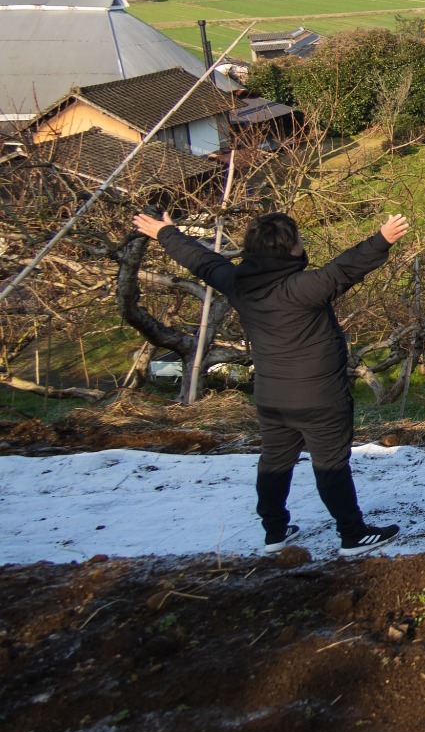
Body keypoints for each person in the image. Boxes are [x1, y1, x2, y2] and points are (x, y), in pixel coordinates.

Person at [134, 208, 407, 557]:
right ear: (290, 249)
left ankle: (275, 531)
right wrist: (382, 239)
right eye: (298, 239)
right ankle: (353, 535)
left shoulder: (237, 284)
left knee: (275, 462)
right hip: (320, 399)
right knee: (331, 464)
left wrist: (165, 233)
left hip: (272, 397)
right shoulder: (304, 288)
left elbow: (201, 261)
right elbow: (345, 268)